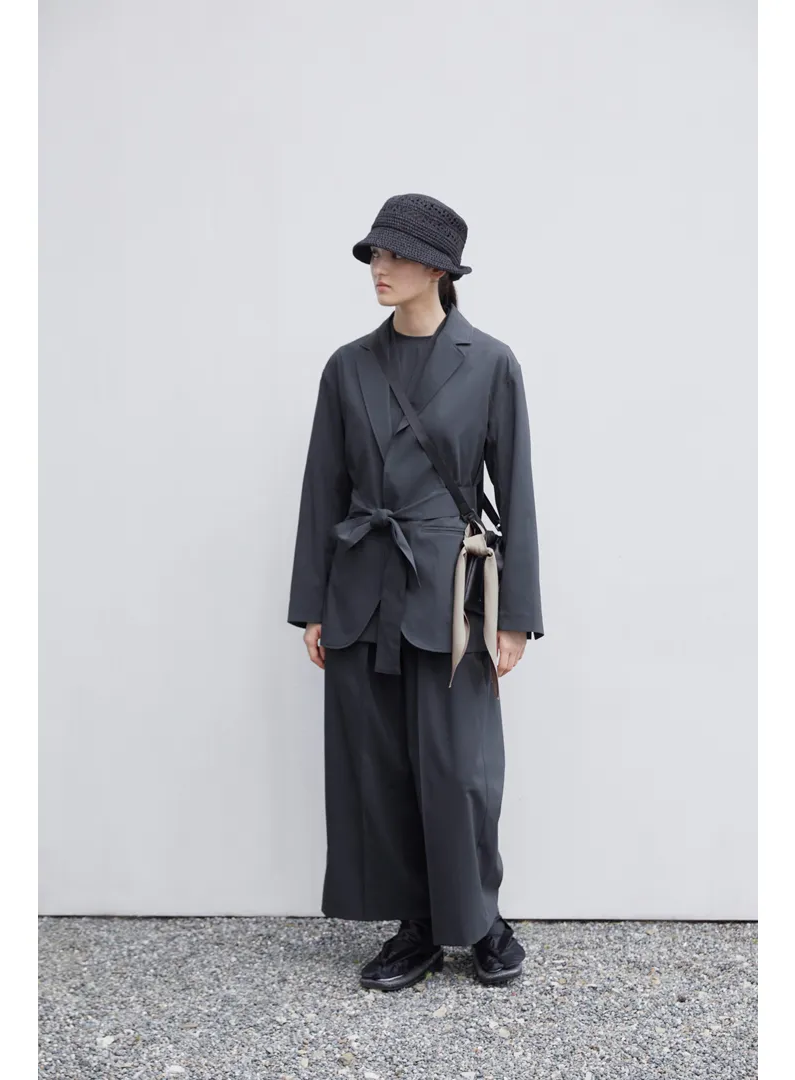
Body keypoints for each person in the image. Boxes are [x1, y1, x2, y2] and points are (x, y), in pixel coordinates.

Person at [286, 193, 544, 990]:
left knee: (461, 770)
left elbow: (519, 493)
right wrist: (315, 605)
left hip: (451, 596)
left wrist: (518, 621)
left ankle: (483, 919)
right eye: (374, 256)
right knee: (380, 768)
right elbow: (322, 490)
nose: (379, 268)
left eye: (394, 256)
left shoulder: (492, 362)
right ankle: (417, 930)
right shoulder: (347, 367)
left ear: (438, 267)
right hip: (364, 591)